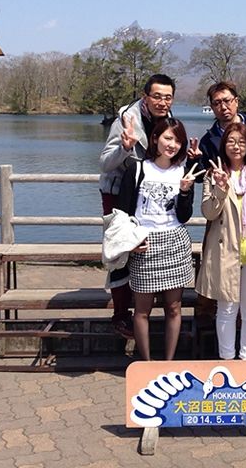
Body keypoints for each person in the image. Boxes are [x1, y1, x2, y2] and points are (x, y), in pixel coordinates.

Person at [186, 81, 246, 330]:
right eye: (217, 103)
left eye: (227, 100)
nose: (223, 106)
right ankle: (206, 304)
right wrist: (193, 161)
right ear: (212, 107)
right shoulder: (209, 139)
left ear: (236, 101)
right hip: (223, 206)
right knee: (213, 254)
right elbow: (200, 176)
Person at [116, 118, 204, 361]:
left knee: (174, 308)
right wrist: (131, 242)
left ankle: (168, 362)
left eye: (178, 141)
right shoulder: (137, 169)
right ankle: (146, 363)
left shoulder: (184, 172)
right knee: (142, 310)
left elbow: (184, 216)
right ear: (155, 139)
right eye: (167, 138)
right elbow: (122, 210)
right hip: (144, 243)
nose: (172, 145)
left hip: (175, 242)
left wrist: (185, 191)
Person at [99, 74, 177, 338]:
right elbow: (105, 163)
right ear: (146, 97)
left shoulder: (167, 119)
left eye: (167, 97)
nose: (162, 102)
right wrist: (124, 148)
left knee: (145, 251)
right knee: (121, 251)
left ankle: (143, 314)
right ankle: (121, 316)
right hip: (117, 193)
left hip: (145, 195)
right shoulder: (126, 120)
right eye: (157, 96)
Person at [196, 123, 246, 360]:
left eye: (241, 142)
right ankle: (227, 359)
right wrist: (221, 189)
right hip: (226, 250)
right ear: (224, 145)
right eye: (231, 141)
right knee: (227, 308)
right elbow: (209, 213)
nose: (236, 146)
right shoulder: (213, 174)